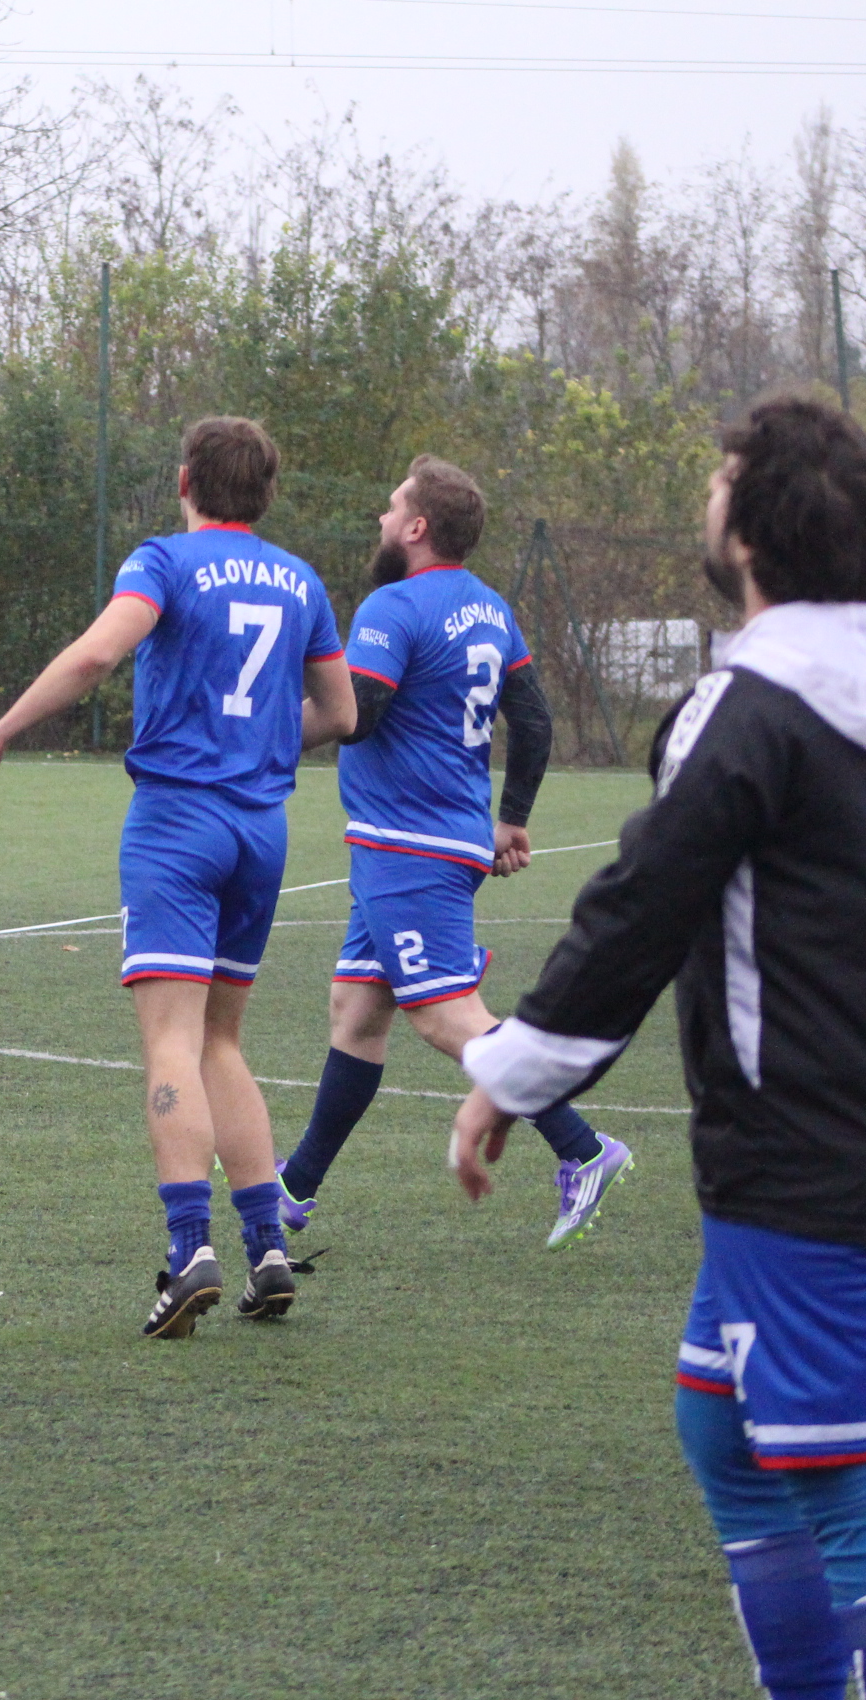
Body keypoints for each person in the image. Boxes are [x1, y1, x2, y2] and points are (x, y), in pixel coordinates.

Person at [452, 395, 866, 1700]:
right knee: (725, 1429)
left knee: (853, 1481)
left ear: (753, 535)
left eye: (719, 483)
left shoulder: (746, 710)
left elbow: (637, 912)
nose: (704, 502)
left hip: (806, 1156)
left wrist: (512, 1074)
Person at [0, 416, 356, 1339]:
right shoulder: (300, 581)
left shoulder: (164, 562)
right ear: (265, 493)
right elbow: (341, 713)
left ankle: (189, 1252)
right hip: (262, 831)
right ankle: (268, 1251)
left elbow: (100, 652)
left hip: (178, 825)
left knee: (171, 1040)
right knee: (222, 1043)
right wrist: (261, 740)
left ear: (184, 482)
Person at [276, 456, 632, 1248]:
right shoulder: (489, 608)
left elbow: (360, 713)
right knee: (357, 1012)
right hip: (435, 839)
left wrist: (255, 738)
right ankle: (293, 1189)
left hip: (410, 846)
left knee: (446, 1018)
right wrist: (510, 819)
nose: (380, 519)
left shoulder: (393, 605)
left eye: (390, 507)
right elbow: (532, 721)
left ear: (417, 527)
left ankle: (583, 1149)